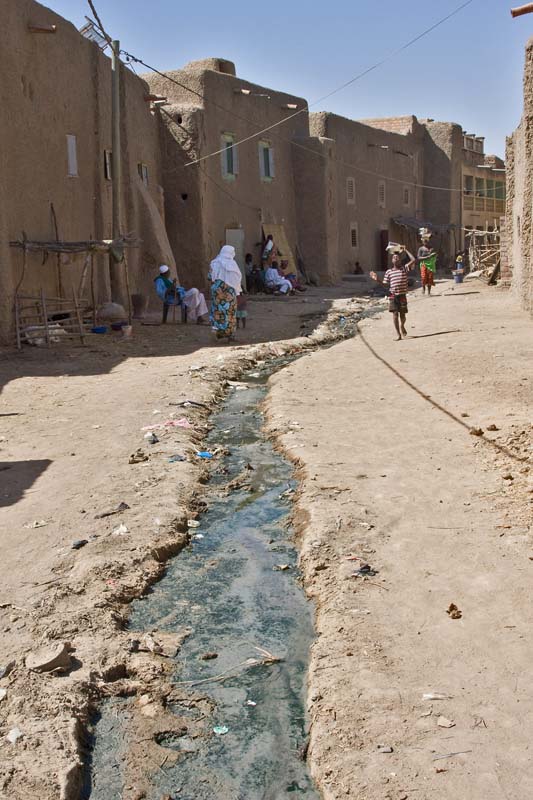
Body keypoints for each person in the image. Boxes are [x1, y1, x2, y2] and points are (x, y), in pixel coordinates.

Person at [370, 247, 416, 341]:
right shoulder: (389, 272)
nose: (396, 258)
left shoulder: (404, 268)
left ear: (400, 260)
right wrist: (377, 279)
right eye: (394, 257)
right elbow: (385, 284)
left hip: (402, 295)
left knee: (403, 316)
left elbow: (413, 259)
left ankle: (402, 325)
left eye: (397, 257)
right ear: (392, 260)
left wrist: (406, 250)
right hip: (393, 295)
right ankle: (398, 334)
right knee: (395, 314)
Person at [208, 245, 242, 340]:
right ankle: (230, 335)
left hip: (217, 291)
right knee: (229, 312)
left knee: (217, 310)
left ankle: (217, 332)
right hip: (229, 293)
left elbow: (210, 277)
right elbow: (237, 278)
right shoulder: (232, 264)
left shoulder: (214, 263)